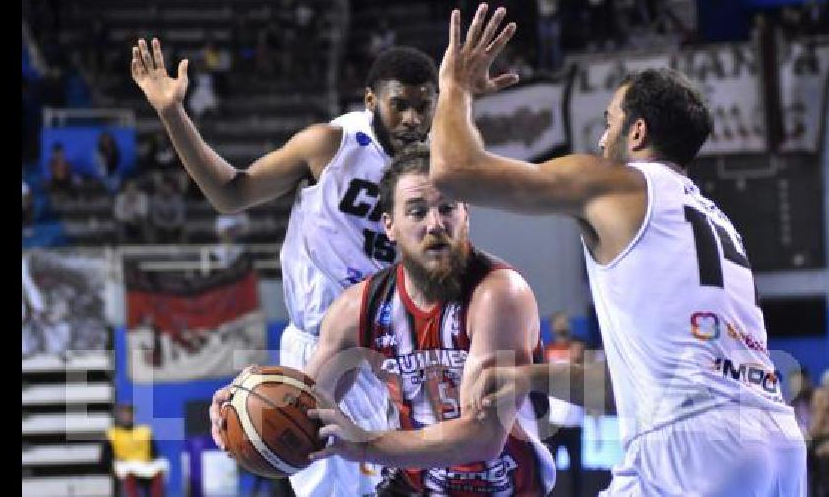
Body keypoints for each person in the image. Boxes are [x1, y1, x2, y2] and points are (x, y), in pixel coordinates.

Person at [431, 4, 807, 495]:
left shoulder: (615, 184)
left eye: (609, 122)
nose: (603, 136)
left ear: (637, 132)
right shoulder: (718, 224)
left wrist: (454, 89)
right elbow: (630, 389)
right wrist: (531, 375)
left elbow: (453, 171)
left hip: (692, 446)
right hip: (776, 444)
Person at [131, 38, 438, 496]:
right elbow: (230, 193)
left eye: (423, 106)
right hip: (317, 346)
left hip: (385, 352)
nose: (412, 119)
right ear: (372, 100)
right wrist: (172, 113)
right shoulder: (329, 146)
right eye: (399, 106)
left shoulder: (440, 168)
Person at [234, 145, 557, 494]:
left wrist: (366, 446)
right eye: (417, 212)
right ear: (390, 226)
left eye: (447, 208)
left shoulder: (499, 294)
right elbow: (305, 405)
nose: (435, 224)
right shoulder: (357, 308)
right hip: (412, 484)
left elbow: (482, 437)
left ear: (466, 213)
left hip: (501, 485)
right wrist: (243, 400)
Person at [542, 312, 585, 494]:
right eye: (559, 323)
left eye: (566, 322)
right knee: (549, 469)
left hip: (574, 421)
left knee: (576, 469)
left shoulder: (579, 349)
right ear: (552, 327)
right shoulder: (546, 351)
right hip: (553, 421)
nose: (563, 326)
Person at [103, 404, 168, 497]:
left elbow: (155, 453)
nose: (127, 416)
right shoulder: (113, 433)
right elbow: (106, 457)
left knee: (159, 469)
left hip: (144, 464)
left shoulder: (145, 431)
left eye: (129, 413)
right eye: (124, 413)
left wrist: (150, 462)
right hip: (125, 465)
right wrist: (113, 466)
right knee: (128, 472)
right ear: (119, 415)